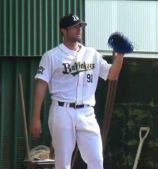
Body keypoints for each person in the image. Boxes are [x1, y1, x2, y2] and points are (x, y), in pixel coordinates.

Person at [31, 13, 124, 169]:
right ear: (63, 31)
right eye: (74, 27)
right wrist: (36, 118)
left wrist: (120, 55)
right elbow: (41, 86)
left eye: (80, 26)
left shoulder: (92, 54)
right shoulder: (52, 56)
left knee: (96, 159)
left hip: (87, 112)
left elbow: (112, 75)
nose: (79, 29)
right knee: (63, 162)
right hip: (62, 110)